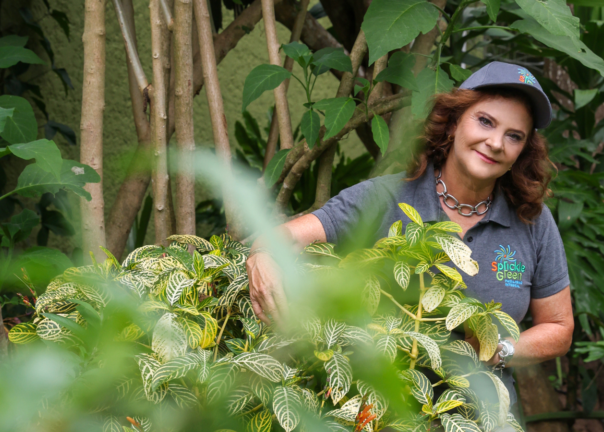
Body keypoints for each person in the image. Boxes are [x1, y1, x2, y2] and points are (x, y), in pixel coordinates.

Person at [246, 61, 574, 408]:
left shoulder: (533, 222)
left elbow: (559, 327)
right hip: (378, 410)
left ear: (522, 151)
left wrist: (500, 349)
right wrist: (263, 257)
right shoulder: (384, 198)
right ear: (454, 121)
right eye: (485, 121)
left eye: (514, 136)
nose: (495, 142)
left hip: (481, 415)